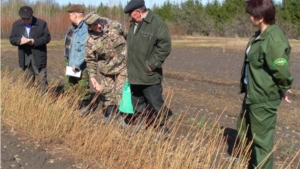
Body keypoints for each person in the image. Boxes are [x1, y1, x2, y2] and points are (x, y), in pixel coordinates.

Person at [237, 0, 294, 168]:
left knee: (262, 140)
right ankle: (253, 161)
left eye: (251, 15)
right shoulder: (258, 36)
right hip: (252, 93)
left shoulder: (274, 40)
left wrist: (284, 88)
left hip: (263, 97)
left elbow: (281, 70)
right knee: (244, 127)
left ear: (260, 17)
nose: (249, 18)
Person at [124, 0, 172, 134]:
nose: (129, 16)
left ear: (139, 12)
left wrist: (152, 64)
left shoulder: (157, 23)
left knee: (156, 103)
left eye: (131, 13)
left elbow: (165, 46)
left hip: (148, 75)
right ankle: (138, 123)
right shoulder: (133, 24)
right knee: (137, 102)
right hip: (134, 73)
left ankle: (162, 129)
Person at [83, 12, 127, 124]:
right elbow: (90, 59)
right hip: (106, 69)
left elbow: (129, 37)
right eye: (94, 25)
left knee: (121, 92)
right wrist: (92, 77)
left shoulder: (115, 25)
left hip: (123, 65)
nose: (99, 25)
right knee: (107, 93)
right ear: (89, 27)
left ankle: (123, 117)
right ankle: (109, 115)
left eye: (98, 22)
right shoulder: (89, 41)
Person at [9, 6, 51, 94]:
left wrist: (34, 41)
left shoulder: (41, 23)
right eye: (23, 19)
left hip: (39, 58)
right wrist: (19, 40)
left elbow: (47, 38)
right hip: (25, 58)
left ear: (32, 16)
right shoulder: (16, 25)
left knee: (42, 82)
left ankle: (43, 102)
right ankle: (30, 101)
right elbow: (12, 39)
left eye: (28, 19)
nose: (26, 21)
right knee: (27, 83)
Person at [64, 4, 90, 116]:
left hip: (79, 63)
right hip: (70, 60)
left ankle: (84, 108)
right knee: (70, 83)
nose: (69, 17)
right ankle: (73, 105)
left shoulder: (85, 29)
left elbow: (84, 49)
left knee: (82, 84)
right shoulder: (72, 27)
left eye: (70, 15)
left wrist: (77, 64)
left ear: (75, 15)